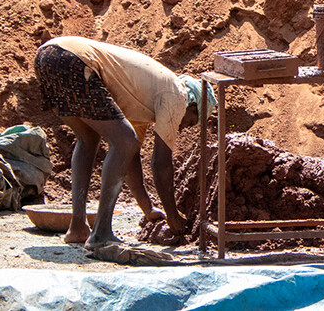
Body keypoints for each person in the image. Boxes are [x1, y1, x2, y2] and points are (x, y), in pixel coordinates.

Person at [33, 36, 216, 249]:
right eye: (191, 121)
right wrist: (173, 215)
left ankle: (78, 228)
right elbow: (160, 164)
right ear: (192, 105)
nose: (183, 128)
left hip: (48, 56)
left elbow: (130, 157)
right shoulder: (177, 94)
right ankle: (101, 232)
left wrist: (148, 209)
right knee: (123, 141)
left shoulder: (146, 99)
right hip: (73, 60)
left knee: (88, 138)